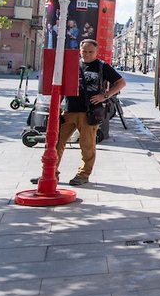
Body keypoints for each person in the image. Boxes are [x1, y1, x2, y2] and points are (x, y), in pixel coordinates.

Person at [54, 38, 126, 186]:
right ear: (80, 51)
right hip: (69, 110)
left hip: (89, 113)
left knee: (87, 145)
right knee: (56, 142)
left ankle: (83, 174)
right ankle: (51, 172)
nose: (87, 54)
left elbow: (121, 83)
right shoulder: (73, 64)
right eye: (84, 51)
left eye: (90, 52)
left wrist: (104, 96)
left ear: (96, 52)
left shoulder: (102, 67)